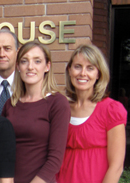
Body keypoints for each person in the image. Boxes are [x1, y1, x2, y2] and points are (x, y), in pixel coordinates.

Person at [56, 44, 127, 183]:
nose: (83, 73)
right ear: (69, 70)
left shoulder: (111, 109)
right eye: (77, 66)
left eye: (90, 68)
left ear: (98, 73)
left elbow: (116, 167)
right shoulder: (61, 109)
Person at [2, 41, 70, 183]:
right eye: (24, 61)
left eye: (37, 61)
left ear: (47, 66)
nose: (30, 67)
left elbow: (55, 160)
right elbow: (2, 150)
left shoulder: (57, 103)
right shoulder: (10, 104)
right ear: (18, 67)